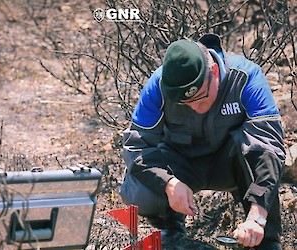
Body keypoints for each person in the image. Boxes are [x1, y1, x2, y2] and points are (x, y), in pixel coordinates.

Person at [120, 33, 285, 250]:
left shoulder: (246, 77)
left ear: (214, 72)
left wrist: (258, 216)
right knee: (139, 188)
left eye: (200, 98)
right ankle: (170, 231)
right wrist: (168, 183)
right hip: (181, 162)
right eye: (186, 103)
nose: (196, 107)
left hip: (231, 164)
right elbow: (136, 147)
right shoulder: (158, 86)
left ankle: (264, 240)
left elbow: (269, 146)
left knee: (261, 153)